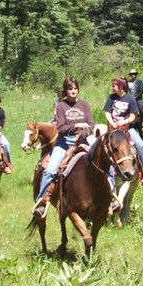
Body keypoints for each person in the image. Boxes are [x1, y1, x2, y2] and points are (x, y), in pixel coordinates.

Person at [34, 77, 95, 217]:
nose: (73, 91)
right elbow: (60, 128)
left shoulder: (84, 104)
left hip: (83, 140)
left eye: (75, 89)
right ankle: (41, 202)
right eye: (70, 89)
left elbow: (91, 124)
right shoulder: (61, 106)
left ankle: (111, 198)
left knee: (103, 161)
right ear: (66, 90)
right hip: (64, 142)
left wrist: (83, 133)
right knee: (50, 171)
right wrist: (76, 126)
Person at [103, 76, 143, 186]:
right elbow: (107, 112)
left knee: (141, 145)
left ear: (122, 86)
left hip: (126, 129)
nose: (113, 87)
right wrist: (112, 122)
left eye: (115, 85)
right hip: (112, 129)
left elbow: (133, 116)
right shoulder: (111, 98)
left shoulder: (130, 99)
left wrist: (124, 122)